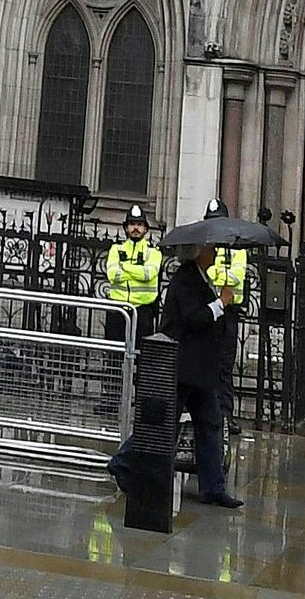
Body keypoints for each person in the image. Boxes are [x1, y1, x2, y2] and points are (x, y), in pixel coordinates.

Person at [157, 241, 242, 508]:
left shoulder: (201, 278)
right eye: (211, 249)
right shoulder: (185, 279)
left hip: (200, 369)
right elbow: (194, 318)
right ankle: (123, 462)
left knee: (210, 424)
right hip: (184, 366)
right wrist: (221, 303)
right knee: (164, 422)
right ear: (198, 253)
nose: (216, 252)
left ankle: (213, 487)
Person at [104, 215, 163, 339]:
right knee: (115, 353)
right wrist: (138, 271)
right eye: (132, 224)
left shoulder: (154, 252)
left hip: (143, 311)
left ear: (146, 229)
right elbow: (113, 274)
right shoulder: (116, 249)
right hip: (118, 309)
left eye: (140, 224)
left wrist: (125, 266)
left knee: (140, 353)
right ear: (126, 228)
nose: (136, 228)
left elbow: (148, 274)